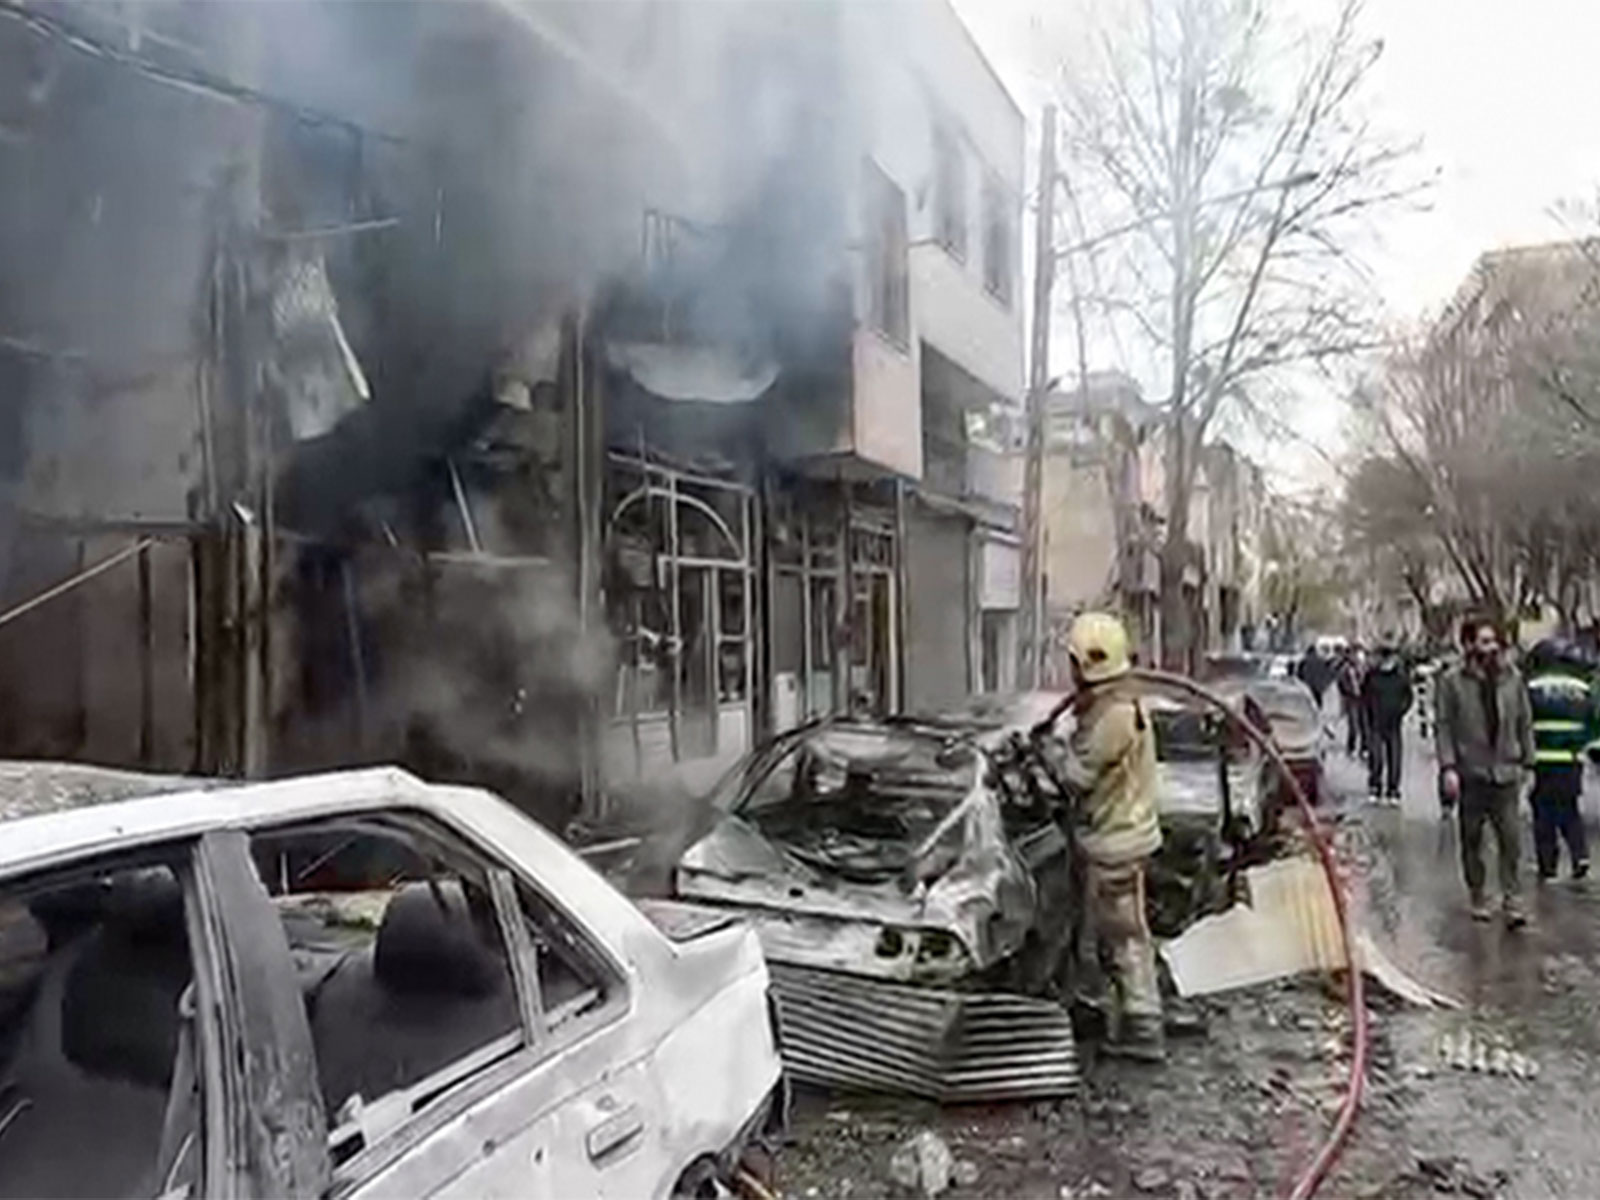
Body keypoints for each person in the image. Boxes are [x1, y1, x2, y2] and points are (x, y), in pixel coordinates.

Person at [1060, 611, 1165, 1061]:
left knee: (1123, 936)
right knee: (1114, 933)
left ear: (1086, 663)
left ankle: (1142, 1026)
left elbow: (1077, 777)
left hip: (1115, 843)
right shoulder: (1119, 705)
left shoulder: (1115, 715)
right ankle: (1107, 1010)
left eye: (1073, 662)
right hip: (1122, 837)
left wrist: (1051, 754)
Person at [1435, 617, 1535, 926]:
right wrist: (1448, 767)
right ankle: (1478, 894)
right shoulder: (1452, 682)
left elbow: (1524, 721)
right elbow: (1444, 726)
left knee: (1511, 839)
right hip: (1472, 773)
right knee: (1473, 839)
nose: (1491, 649)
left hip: (1506, 772)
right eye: (1483, 642)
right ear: (1468, 645)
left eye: (1494, 642)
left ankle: (1512, 899)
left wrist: (1529, 763)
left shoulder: (1512, 679)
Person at [1525, 638, 1596, 882]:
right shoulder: (1582, 689)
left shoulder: (1532, 687)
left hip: (1541, 760)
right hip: (1571, 759)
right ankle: (1580, 855)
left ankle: (1548, 865)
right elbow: (1592, 724)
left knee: (1543, 812)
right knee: (1569, 808)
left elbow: (1523, 721)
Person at [1361, 638, 1413, 806]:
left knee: (1394, 758)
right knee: (1376, 758)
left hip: (1393, 723)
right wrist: (1369, 714)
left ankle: (1393, 790)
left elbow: (1408, 697)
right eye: (1384, 656)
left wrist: (1400, 711)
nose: (1386, 660)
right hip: (1376, 722)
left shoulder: (1400, 677)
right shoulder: (1372, 676)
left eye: (1389, 656)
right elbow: (1364, 696)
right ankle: (1375, 787)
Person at [1337, 644, 1368, 757]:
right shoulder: (1345, 669)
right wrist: (1348, 692)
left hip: (1363, 699)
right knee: (1353, 725)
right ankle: (1351, 746)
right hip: (1352, 699)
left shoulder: (1364, 668)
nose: (1356, 657)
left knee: (1364, 724)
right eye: (1354, 655)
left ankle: (1364, 747)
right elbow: (1341, 684)